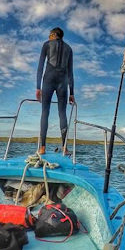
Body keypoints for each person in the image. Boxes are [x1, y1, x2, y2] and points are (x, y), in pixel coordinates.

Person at [36, 27, 75, 155]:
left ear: (53, 35)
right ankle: (64, 147)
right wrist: (72, 93)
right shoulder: (69, 49)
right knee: (62, 113)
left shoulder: (46, 45)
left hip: (48, 80)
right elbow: (70, 73)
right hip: (62, 83)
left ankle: (42, 147)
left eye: (49, 35)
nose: (48, 37)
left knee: (45, 112)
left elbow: (40, 66)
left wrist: (38, 87)